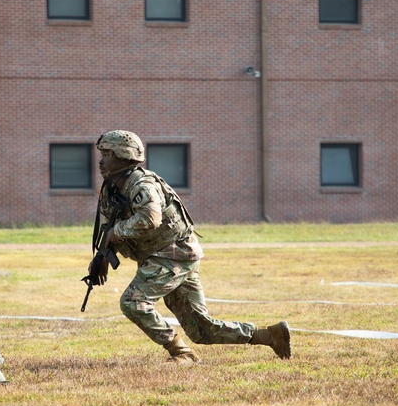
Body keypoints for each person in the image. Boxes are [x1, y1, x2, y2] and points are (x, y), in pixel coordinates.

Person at [88, 129, 291, 364]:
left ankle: (182, 354)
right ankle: (270, 335)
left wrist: (116, 233)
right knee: (201, 329)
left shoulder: (142, 185)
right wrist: (101, 257)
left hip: (172, 254)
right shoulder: (113, 187)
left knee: (133, 302)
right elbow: (109, 226)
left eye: (106, 155)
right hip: (167, 255)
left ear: (122, 156)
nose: (101, 162)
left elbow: (149, 218)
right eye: (101, 155)